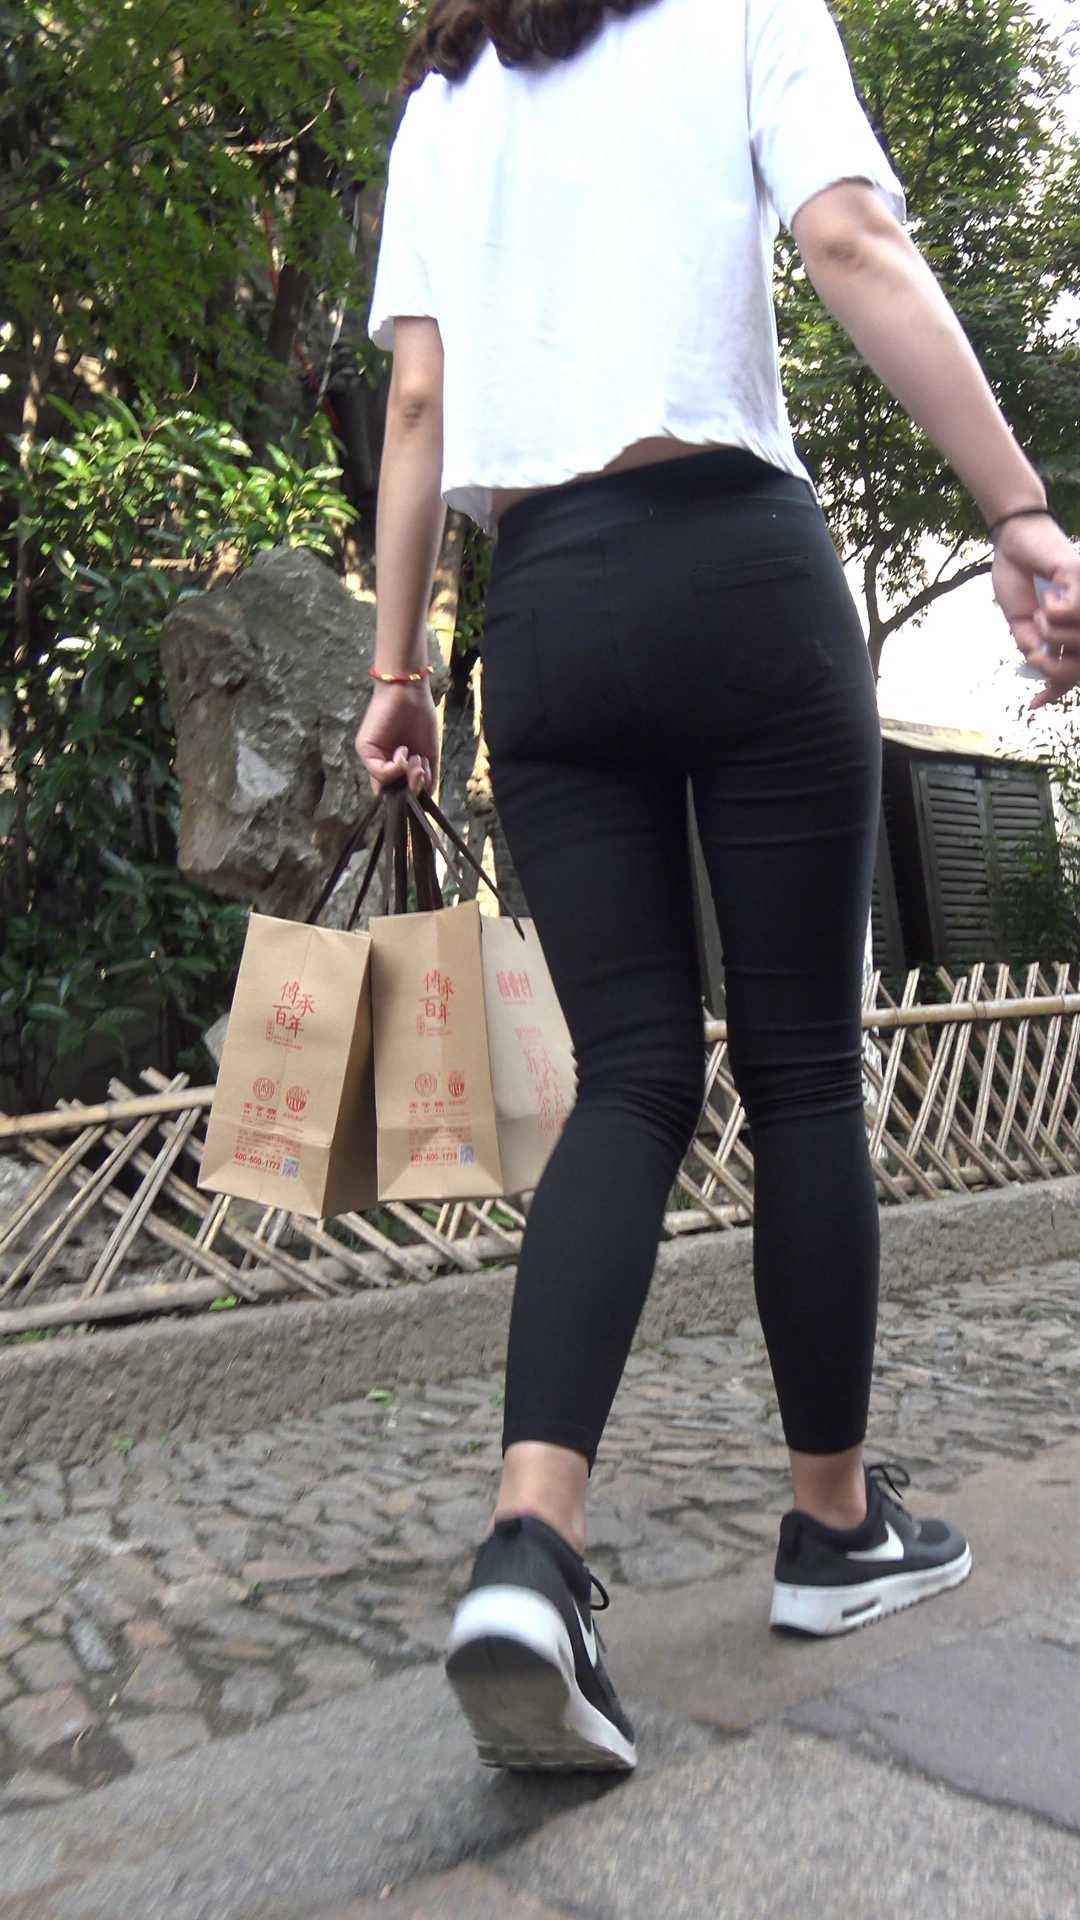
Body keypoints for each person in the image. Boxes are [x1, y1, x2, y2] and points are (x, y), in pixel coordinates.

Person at [356, 0, 1080, 1775]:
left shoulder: (446, 100)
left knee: (629, 1079)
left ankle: (531, 1550)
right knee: (805, 1068)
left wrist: (396, 672)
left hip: (546, 607)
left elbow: (421, 402)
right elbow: (850, 242)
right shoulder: (747, 9)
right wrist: (1019, 511)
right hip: (741, 575)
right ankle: (832, 1525)